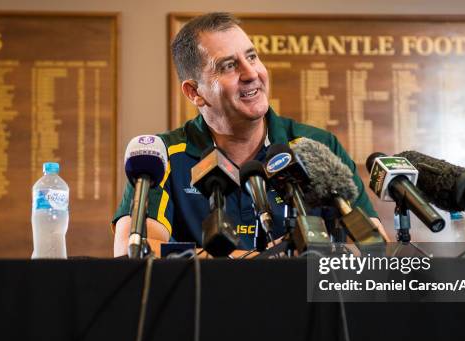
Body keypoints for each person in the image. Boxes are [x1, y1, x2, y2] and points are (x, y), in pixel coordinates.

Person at [113, 12, 388, 257]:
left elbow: (374, 246)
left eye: (252, 57)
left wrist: (303, 255)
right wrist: (253, 263)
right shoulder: (162, 156)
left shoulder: (316, 145)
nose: (251, 73)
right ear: (194, 92)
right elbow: (132, 249)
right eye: (229, 66)